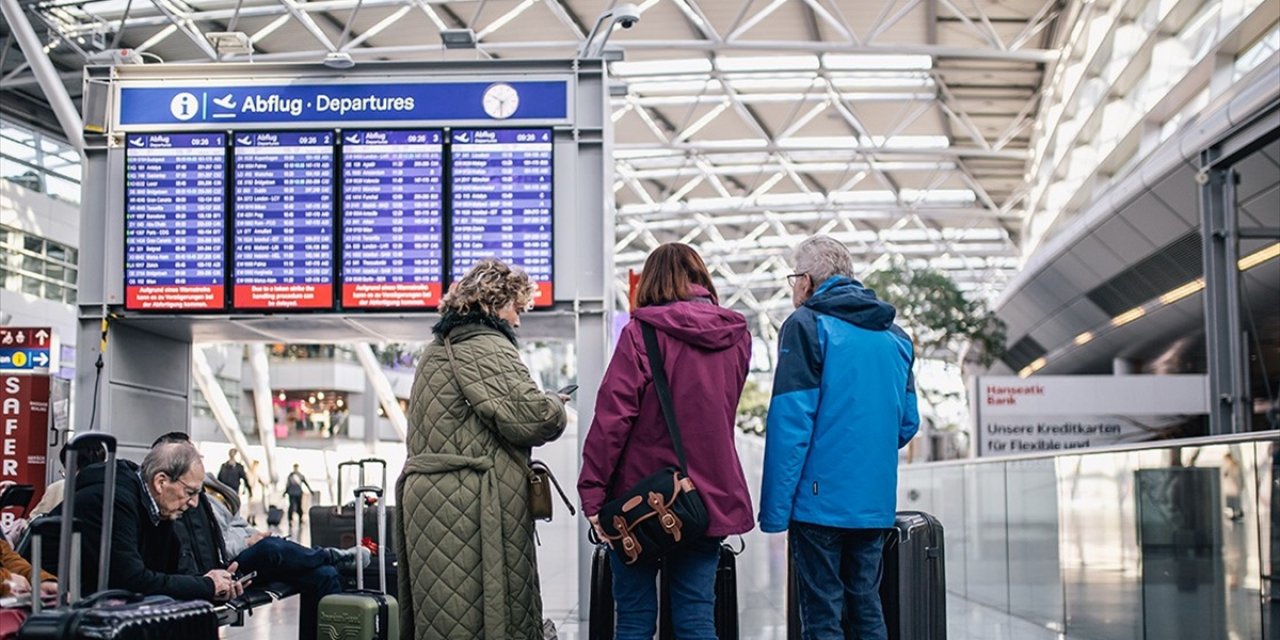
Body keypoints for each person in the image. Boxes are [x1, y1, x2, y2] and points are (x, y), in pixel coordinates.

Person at [578, 242, 755, 640]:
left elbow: (613, 419)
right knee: (696, 618)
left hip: (639, 499)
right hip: (708, 496)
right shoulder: (736, 336)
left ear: (652, 281)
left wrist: (592, 493)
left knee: (636, 618)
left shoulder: (640, 334)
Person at [395, 258, 569, 639]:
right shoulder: (486, 344)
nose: (518, 321)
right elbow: (533, 418)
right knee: (487, 618)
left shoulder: (436, 349)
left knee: (443, 618)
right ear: (492, 302)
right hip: (473, 509)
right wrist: (556, 403)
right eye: (515, 308)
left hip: (430, 503)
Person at [759, 235, 920, 640]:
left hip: (818, 505)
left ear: (809, 280)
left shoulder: (807, 326)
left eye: (795, 277)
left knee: (822, 612)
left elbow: (789, 425)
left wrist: (775, 511)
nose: (794, 286)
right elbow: (907, 424)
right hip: (874, 502)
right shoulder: (896, 337)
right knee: (867, 603)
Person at [43, 441, 244, 602]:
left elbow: (165, 571)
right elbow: (131, 579)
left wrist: (214, 582)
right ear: (161, 482)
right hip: (49, 596)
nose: (193, 503)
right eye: (189, 492)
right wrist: (206, 585)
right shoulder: (115, 500)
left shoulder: (156, 507)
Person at [216, 450, 252, 514]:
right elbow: (245, 479)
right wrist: (249, 491)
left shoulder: (224, 466)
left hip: (225, 490)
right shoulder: (238, 467)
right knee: (233, 508)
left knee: (226, 508)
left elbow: (218, 479)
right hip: (232, 491)